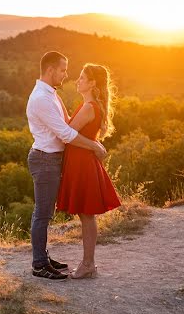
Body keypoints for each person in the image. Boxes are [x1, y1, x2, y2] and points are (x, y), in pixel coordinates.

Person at [26, 51, 107, 280]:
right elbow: (65, 133)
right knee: (42, 214)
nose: (66, 75)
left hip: (55, 160)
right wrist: (94, 146)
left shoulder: (51, 94)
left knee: (49, 212)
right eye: (62, 70)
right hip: (45, 159)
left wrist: (92, 144)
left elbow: (70, 125)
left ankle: (44, 257)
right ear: (51, 70)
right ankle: (39, 264)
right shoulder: (42, 98)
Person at [55, 63, 121, 278]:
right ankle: (88, 264)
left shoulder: (89, 107)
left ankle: (88, 264)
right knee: (86, 215)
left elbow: (67, 133)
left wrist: (92, 145)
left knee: (86, 215)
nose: (78, 80)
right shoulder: (89, 105)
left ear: (92, 83)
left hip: (82, 163)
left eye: (82, 78)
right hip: (81, 161)